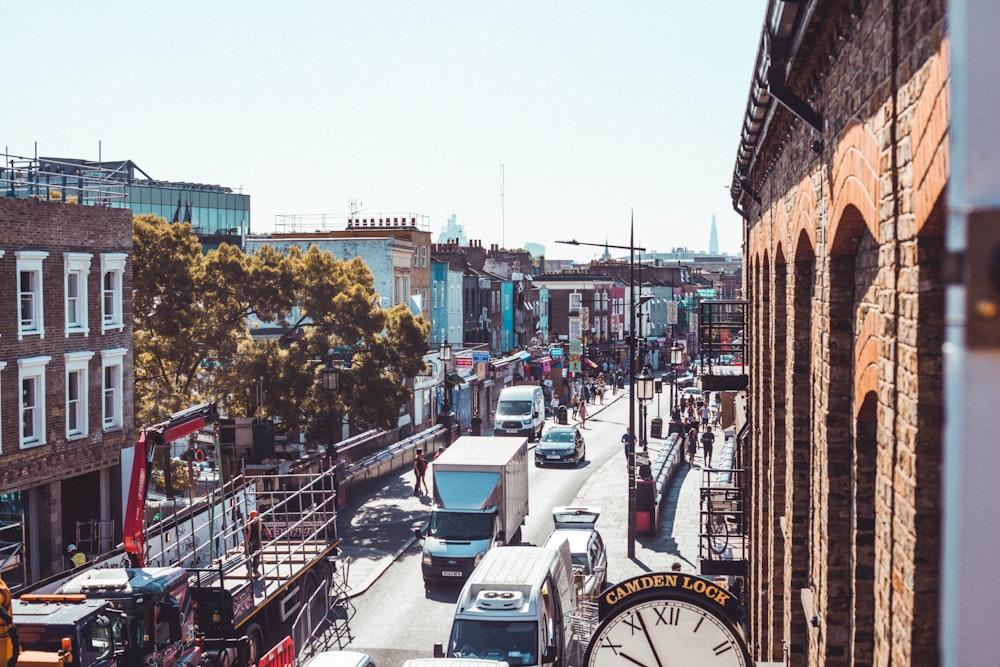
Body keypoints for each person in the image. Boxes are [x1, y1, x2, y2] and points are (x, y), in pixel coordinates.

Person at [245, 510, 271, 577]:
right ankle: (250, 571)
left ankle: (255, 570)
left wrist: (268, 534)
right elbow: (247, 534)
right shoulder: (248, 524)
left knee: (256, 557)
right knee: (249, 557)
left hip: (256, 541)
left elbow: (265, 529)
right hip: (251, 542)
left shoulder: (259, 523)